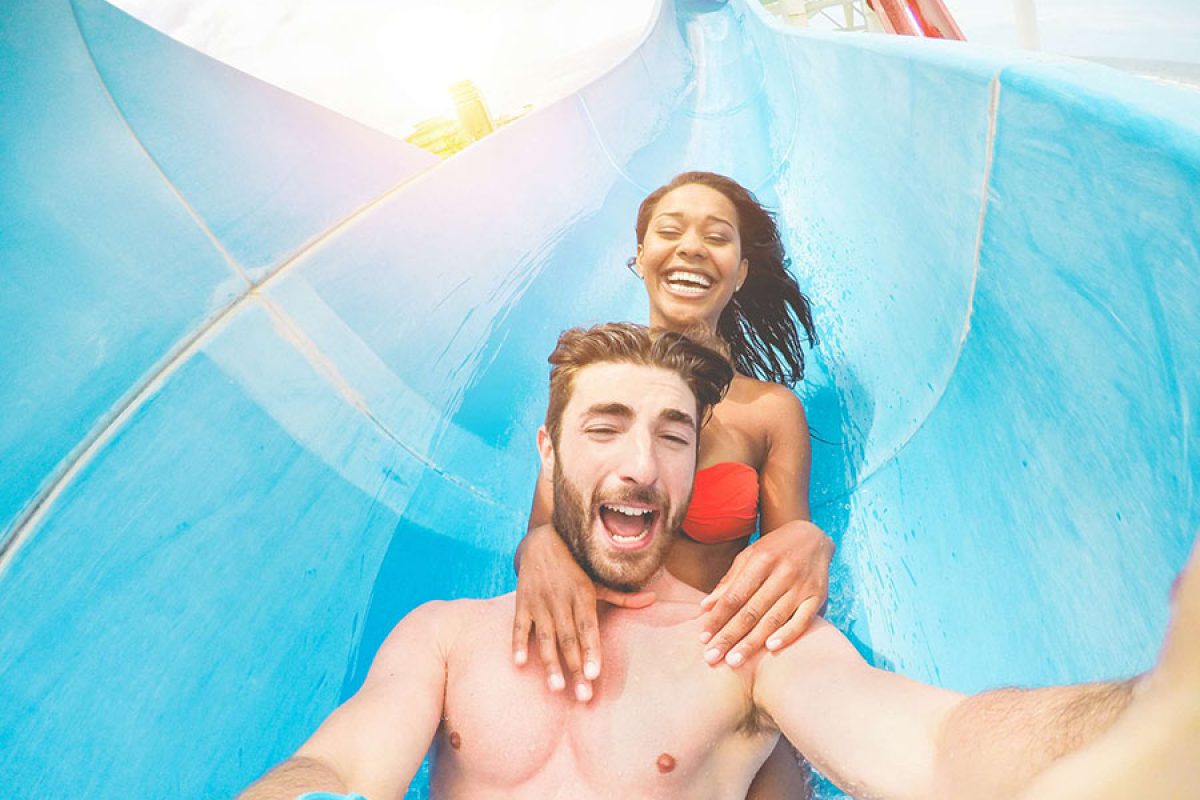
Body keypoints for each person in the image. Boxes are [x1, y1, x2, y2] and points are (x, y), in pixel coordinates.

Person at [238, 323, 1194, 800]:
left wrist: (1155, 717)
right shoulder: (446, 637)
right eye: (605, 426)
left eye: (673, 436)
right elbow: (339, 761)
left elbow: (936, 746)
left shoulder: (747, 645)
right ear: (545, 450)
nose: (641, 465)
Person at [514, 170, 827, 797]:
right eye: (670, 231)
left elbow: (788, 557)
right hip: (605, 656)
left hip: (714, 660)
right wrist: (539, 550)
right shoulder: (591, 384)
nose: (690, 247)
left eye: (716, 237)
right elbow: (543, 535)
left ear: (739, 272)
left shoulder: (770, 413)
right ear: (639, 258)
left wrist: (811, 543)